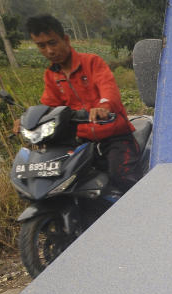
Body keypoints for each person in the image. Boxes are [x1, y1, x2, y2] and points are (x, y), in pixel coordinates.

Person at [21, 14, 140, 193]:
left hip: (115, 136)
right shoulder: (51, 76)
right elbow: (48, 106)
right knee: (66, 182)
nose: (49, 51)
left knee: (121, 176)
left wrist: (104, 106)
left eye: (52, 43)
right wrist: (27, 120)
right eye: (41, 46)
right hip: (81, 142)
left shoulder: (92, 62)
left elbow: (109, 90)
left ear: (66, 39)